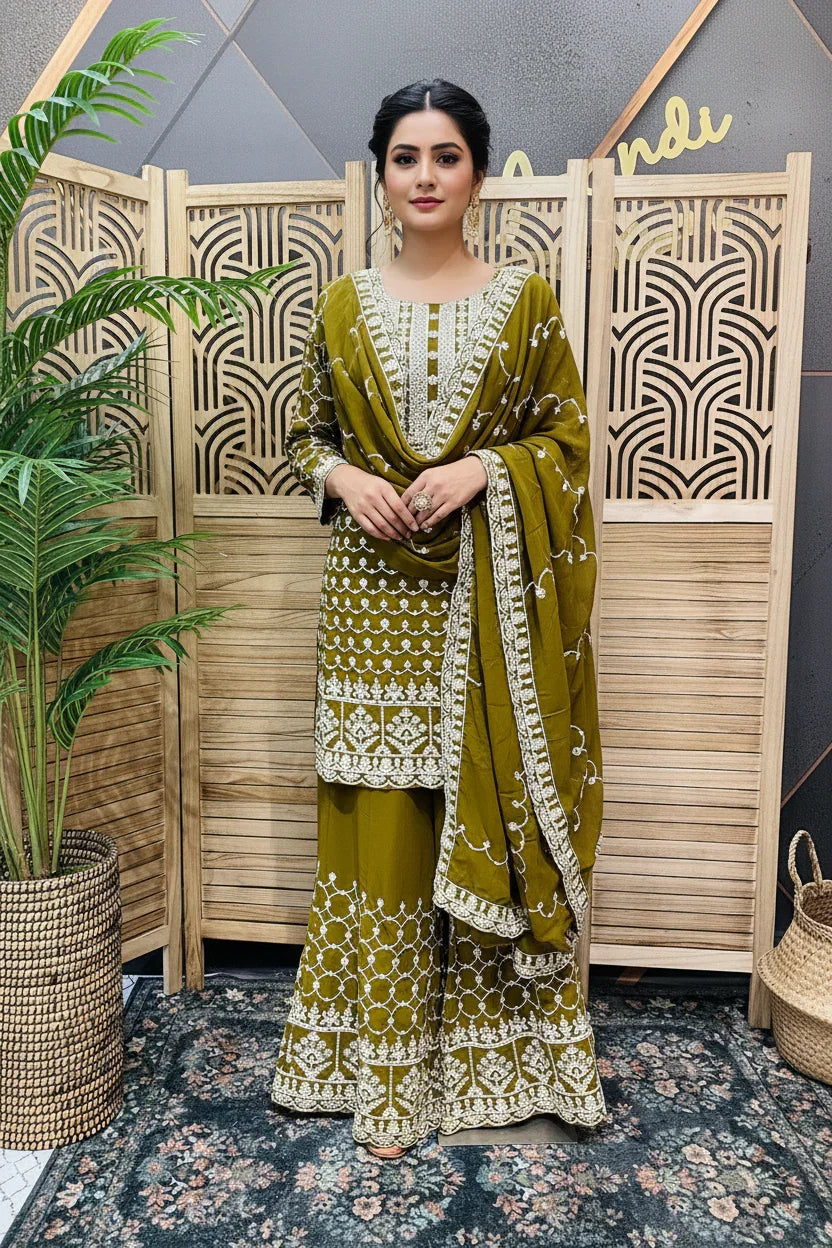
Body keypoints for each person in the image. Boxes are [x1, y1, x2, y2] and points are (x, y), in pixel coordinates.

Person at [270, 78, 607, 1159]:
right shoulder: (338, 305)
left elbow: (563, 444)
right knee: (382, 835)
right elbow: (306, 435)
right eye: (406, 156)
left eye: (446, 156)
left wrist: (485, 472)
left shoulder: (525, 302)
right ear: (379, 172)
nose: (424, 176)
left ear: (478, 173)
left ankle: (483, 1072)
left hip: (482, 609)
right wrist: (339, 477)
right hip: (370, 608)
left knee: (476, 810)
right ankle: (383, 1086)